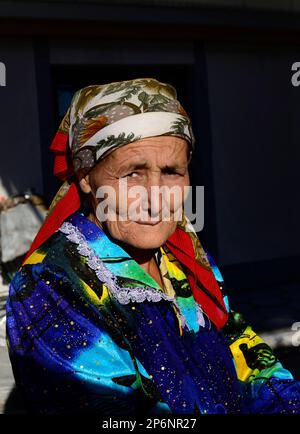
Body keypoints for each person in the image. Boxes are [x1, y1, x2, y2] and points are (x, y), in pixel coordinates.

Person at [6, 78, 300, 414]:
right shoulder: (50, 287)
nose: (156, 198)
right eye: (132, 173)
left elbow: (250, 360)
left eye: (173, 172)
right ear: (86, 176)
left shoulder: (183, 260)